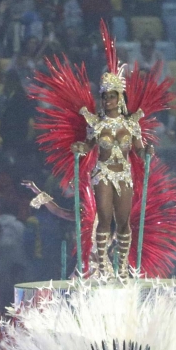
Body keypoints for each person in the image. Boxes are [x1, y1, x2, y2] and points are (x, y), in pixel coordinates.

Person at [70, 49, 152, 275]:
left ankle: (123, 266)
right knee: (105, 218)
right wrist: (79, 148)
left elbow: (139, 149)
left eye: (112, 96)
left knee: (124, 221)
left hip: (124, 173)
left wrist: (147, 151)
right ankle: (103, 264)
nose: (107, 101)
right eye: (104, 97)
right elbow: (88, 146)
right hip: (103, 173)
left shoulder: (132, 124)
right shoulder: (96, 124)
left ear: (120, 98)